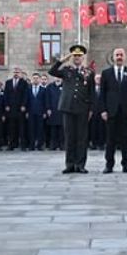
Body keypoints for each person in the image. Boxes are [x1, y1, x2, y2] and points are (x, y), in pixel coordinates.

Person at [49, 44, 94, 174]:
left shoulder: (89, 72)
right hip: (68, 108)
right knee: (69, 137)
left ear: (83, 57)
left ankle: (80, 164)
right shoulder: (66, 70)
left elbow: (91, 92)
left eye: (79, 56)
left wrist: (91, 109)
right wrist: (63, 60)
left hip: (82, 108)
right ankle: (70, 164)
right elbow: (52, 71)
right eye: (75, 56)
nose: (77, 58)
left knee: (81, 138)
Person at [98, 48, 127, 172]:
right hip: (111, 111)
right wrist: (103, 110)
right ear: (113, 57)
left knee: (126, 140)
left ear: (124, 57)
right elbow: (102, 93)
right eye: (117, 55)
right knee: (110, 140)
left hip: (126, 112)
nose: (119, 57)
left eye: (121, 55)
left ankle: (126, 164)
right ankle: (109, 165)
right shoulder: (106, 73)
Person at [4, 67, 28, 150]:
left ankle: (23, 145)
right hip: (11, 108)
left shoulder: (24, 83)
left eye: (17, 72)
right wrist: (6, 105)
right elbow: (6, 95)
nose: (16, 73)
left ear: (20, 73)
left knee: (21, 127)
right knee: (11, 127)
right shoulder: (8, 82)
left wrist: (24, 105)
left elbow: (26, 95)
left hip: (20, 108)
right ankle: (12, 144)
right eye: (14, 72)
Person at [27, 73, 48, 151]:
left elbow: (45, 101)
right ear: (32, 79)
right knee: (31, 129)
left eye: (37, 78)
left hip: (40, 112)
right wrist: (27, 111)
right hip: (31, 112)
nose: (35, 80)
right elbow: (27, 101)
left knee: (40, 129)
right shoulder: (28, 89)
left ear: (39, 79)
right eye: (34, 78)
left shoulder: (43, 89)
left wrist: (45, 112)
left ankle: (39, 145)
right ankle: (31, 145)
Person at [45, 77, 63, 151]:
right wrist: (48, 108)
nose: (58, 79)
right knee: (53, 130)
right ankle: (53, 145)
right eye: (56, 77)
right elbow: (47, 98)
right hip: (52, 111)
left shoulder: (65, 85)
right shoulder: (50, 86)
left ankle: (62, 145)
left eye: (59, 77)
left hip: (62, 110)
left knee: (62, 129)